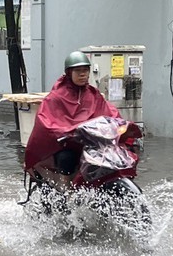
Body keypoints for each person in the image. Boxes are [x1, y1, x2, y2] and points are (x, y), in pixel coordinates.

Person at [24, 51, 121, 186]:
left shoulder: (94, 94)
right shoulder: (56, 97)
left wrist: (121, 126)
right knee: (67, 158)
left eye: (86, 70)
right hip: (65, 145)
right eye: (78, 71)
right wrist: (66, 132)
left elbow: (109, 113)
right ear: (69, 73)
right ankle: (65, 189)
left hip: (89, 143)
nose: (83, 74)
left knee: (115, 156)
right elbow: (45, 122)